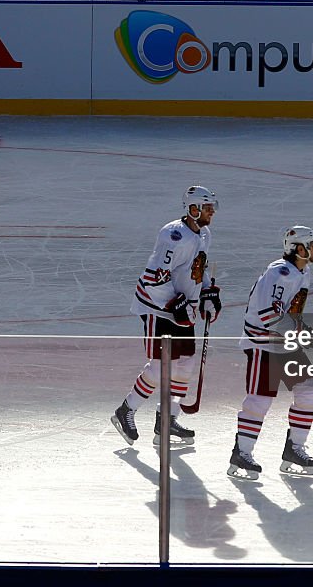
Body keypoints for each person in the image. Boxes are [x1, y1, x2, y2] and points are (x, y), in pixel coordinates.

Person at [111, 186, 221, 447]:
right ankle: (126, 410)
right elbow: (153, 278)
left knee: (185, 364)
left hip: (183, 309)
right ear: (193, 209)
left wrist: (206, 292)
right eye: (207, 208)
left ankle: (167, 420)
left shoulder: (203, 234)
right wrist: (175, 303)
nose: (211, 213)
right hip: (157, 307)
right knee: (162, 365)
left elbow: (198, 267)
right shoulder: (174, 236)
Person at [228, 226, 313, 481]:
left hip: (285, 343)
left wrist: (304, 330)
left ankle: (294, 448)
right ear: (299, 248)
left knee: (309, 390)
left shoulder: (303, 272)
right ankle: (242, 453)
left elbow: (290, 313)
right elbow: (268, 315)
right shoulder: (279, 272)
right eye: (312, 244)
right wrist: (301, 332)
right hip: (263, 343)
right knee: (259, 400)